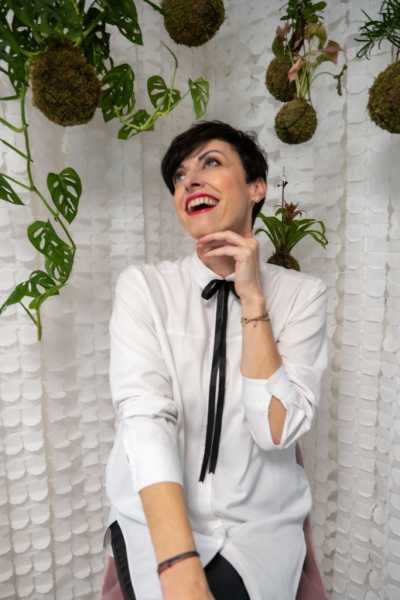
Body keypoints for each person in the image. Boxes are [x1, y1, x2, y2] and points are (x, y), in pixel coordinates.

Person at [104, 120, 328, 600]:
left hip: (260, 524)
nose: (190, 181)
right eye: (179, 175)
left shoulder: (303, 296)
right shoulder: (143, 288)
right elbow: (145, 422)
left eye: (210, 163)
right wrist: (178, 566)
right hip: (158, 519)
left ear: (256, 187)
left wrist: (253, 298)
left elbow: (276, 433)